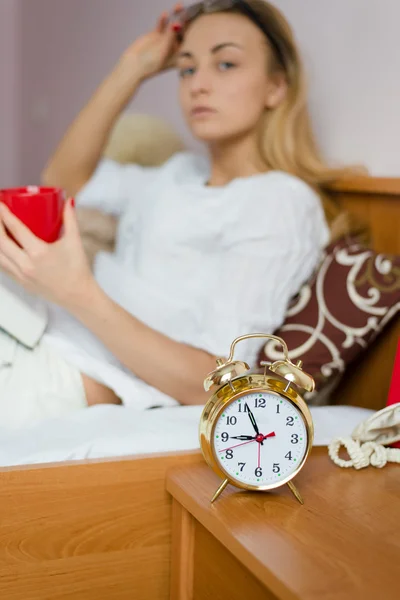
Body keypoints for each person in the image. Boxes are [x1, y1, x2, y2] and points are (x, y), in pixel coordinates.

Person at [0, 0, 345, 428]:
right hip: (31, 330)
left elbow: (218, 378)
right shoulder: (177, 173)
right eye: (186, 68)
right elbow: (65, 180)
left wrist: (76, 291)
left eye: (225, 64)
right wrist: (132, 68)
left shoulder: (281, 202)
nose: (198, 84)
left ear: (277, 86)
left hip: (61, 372)